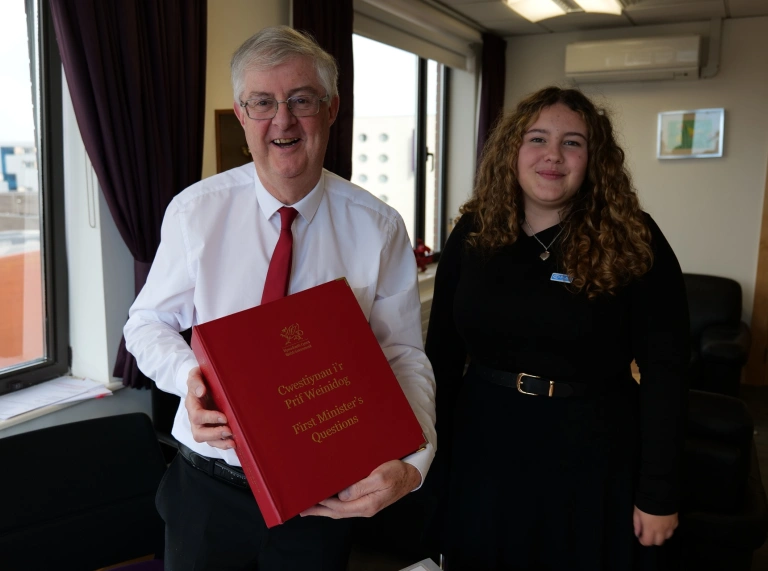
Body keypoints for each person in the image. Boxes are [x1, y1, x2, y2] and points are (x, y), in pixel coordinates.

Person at [124, 26, 436, 570]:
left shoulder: (379, 227)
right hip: (209, 486)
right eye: (262, 103)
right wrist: (188, 378)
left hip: (322, 494)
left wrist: (414, 460)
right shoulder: (195, 212)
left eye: (301, 100)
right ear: (242, 116)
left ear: (332, 109)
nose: (282, 120)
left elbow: (404, 356)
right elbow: (146, 323)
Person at [425, 86, 689, 570]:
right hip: (483, 447)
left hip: (593, 452)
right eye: (537, 138)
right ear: (512, 151)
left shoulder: (635, 237)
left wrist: (658, 491)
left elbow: (667, 372)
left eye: (573, 142)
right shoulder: (473, 233)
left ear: (595, 159)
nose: (553, 155)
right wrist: (427, 461)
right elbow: (439, 354)